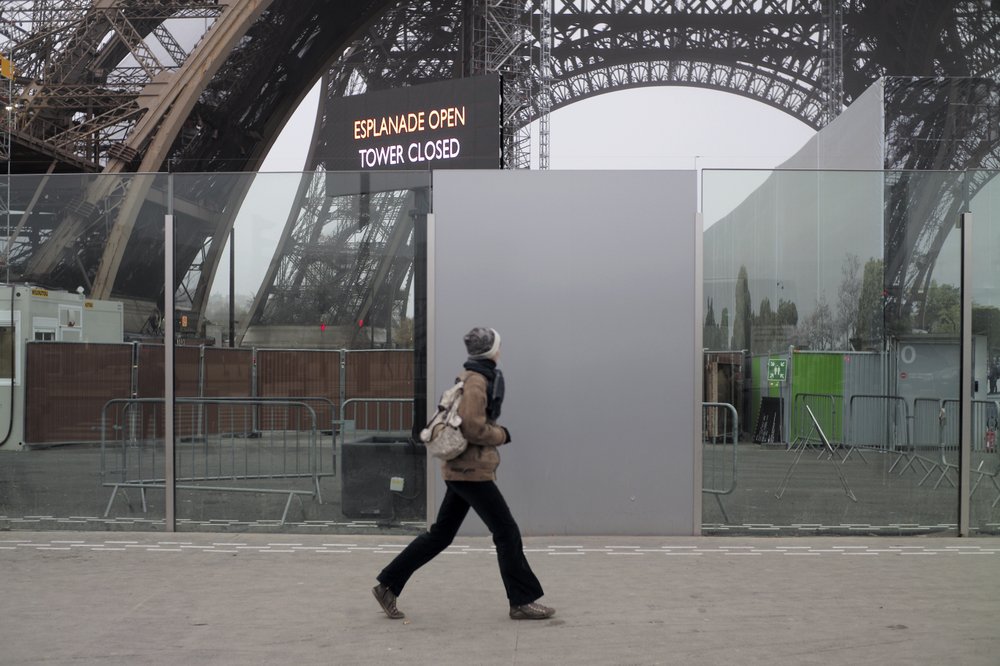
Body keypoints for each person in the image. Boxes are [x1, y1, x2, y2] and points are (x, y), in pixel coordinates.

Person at [372, 327, 554, 621]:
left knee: (440, 535)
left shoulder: (471, 375)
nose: (500, 350)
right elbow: (472, 426)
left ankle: (388, 585)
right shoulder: (478, 381)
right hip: (470, 471)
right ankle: (521, 601)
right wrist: (501, 435)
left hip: (460, 469)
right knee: (506, 531)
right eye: (499, 345)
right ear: (492, 349)